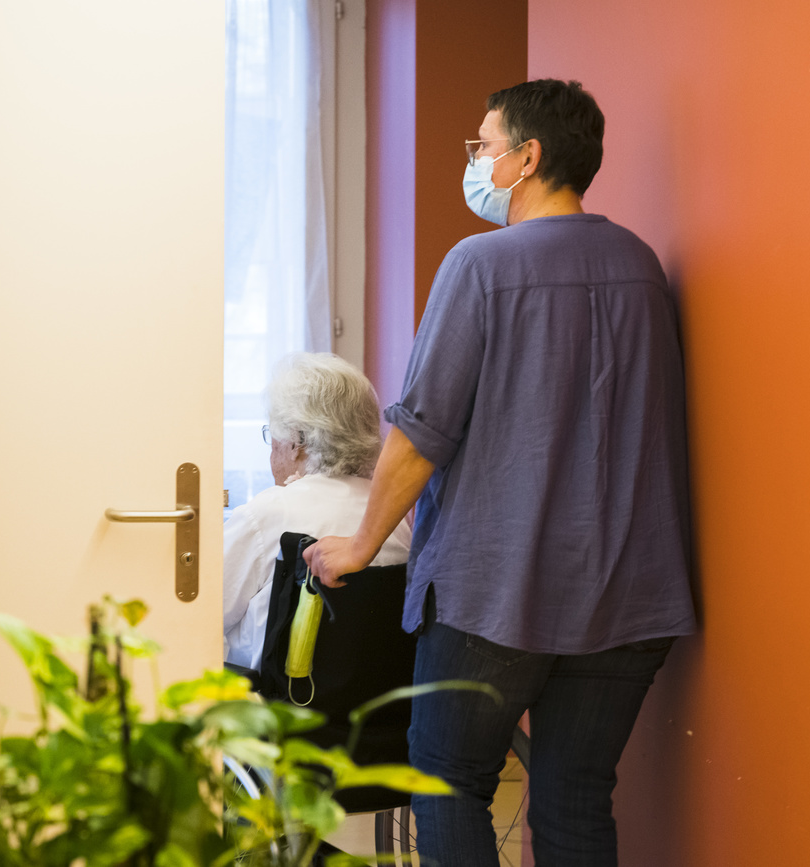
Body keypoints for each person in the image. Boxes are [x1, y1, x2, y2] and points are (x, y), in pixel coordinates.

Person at [303, 79, 696, 866]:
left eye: (483, 147)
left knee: (447, 779)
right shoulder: (641, 265)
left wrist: (359, 543)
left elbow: (422, 432)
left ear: (529, 157)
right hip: (628, 596)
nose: (478, 162)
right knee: (577, 796)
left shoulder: (480, 265)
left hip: (499, 593)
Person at [223, 352, 412, 672]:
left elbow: (197, 617)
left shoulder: (265, 516)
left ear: (297, 439)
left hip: (278, 710)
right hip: (375, 712)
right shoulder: (392, 520)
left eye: (272, 435)